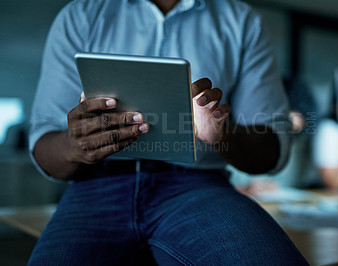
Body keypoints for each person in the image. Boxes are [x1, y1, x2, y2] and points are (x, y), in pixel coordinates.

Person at [28, 0, 308, 265]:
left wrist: (225, 135)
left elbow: (270, 152)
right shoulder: (80, 15)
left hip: (197, 186)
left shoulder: (242, 22)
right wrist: (72, 146)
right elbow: (44, 147)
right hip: (95, 185)